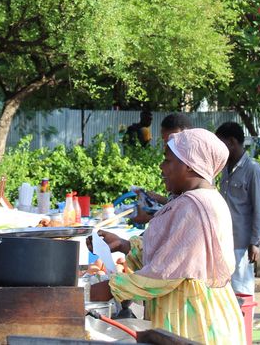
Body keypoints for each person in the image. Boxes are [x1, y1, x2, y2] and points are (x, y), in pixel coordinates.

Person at [88, 129, 245, 343]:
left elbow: (165, 274)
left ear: (189, 164)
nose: (161, 167)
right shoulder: (201, 199)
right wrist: (124, 245)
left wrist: (111, 289)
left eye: (168, 161)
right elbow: (171, 254)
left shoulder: (194, 207)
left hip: (192, 316)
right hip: (197, 308)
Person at [215, 121, 260, 297]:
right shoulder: (225, 169)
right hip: (224, 241)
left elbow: (259, 208)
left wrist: (255, 242)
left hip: (242, 244)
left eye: (221, 144)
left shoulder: (253, 169)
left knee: (242, 292)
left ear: (231, 142)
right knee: (224, 293)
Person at [130, 113, 195, 225]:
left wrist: (150, 218)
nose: (169, 146)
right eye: (166, 141)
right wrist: (157, 198)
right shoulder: (179, 172)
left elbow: (184, 218)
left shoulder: (196, 174)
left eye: (174, 140)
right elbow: (177, 205)